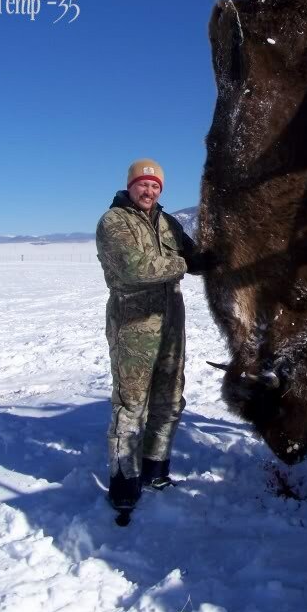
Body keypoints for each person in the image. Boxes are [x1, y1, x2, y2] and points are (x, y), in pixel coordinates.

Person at [96, 158, 204, 512]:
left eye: (156, 186)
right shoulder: (114, 221)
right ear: (130, 186)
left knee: (170, 400)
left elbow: (195, 254)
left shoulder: (170, 223)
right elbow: (135, 268)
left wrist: (218, 256)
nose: (149, 190)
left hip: (172, 325)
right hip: (133, 328)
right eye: (143, 184)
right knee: (131, 406)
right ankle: (124, 482)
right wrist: (186, 264)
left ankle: (156, 469)